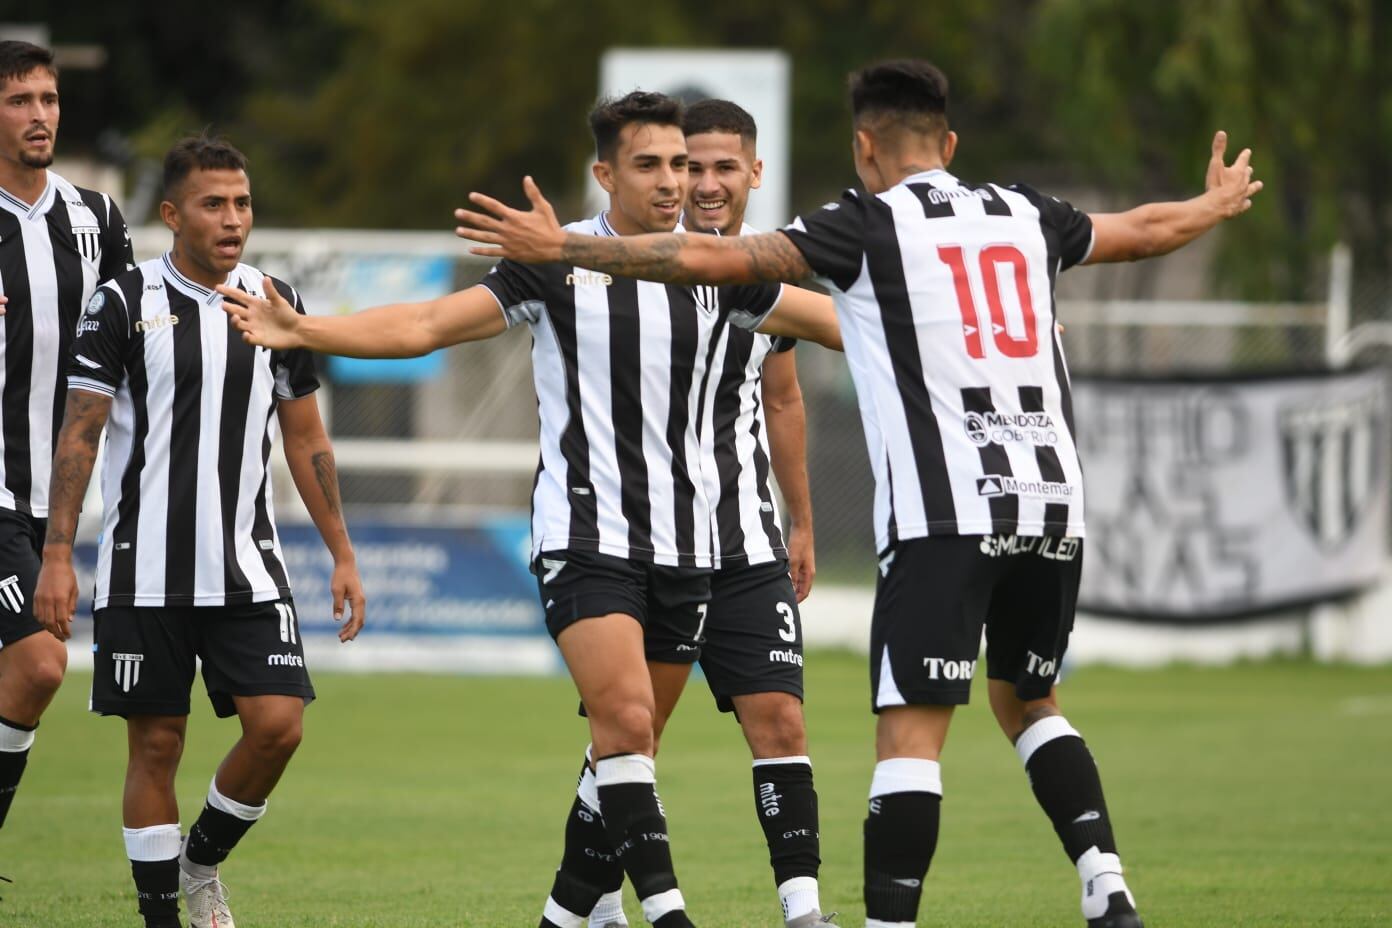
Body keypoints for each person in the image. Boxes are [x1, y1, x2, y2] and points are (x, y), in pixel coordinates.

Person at [453, 59, 1264, 928]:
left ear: (863, 146)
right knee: (1028, 700)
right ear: (948, 142)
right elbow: (1139, 229)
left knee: (908, 739)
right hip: (1052, 503)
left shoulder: (862, 226)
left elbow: (703, 257)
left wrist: (567, 247)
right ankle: (1105, 882)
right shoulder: (1026, 211)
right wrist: (1211, 206)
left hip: (943, 512)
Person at [220, 91, 837, 928]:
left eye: (682, 165)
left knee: (654, 739)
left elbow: (834, 332)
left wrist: (937, 336)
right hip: (588, 535)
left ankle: (575, 913)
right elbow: (428, 323)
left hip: (702, 546)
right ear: (604, 173)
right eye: (651, 165)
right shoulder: (555, 260)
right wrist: (308, 329)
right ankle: (670, 915)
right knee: (624, 721)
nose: (674, 182)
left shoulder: (716, 268)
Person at [33, 134, 366, 928]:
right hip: (144, 568)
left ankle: (202, 861)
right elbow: (79, 435)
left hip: (248, 566)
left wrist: (343, 553)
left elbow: (307, 439)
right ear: (173, 214)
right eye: (214, 205)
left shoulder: (275, 300)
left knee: (278, 728)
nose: (233, 219)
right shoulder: (121, 302)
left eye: (243, 204)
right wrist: (57, 554)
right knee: (156, 747)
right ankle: (159, 919)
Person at [586, 98, 829, 928]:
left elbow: (786, 401)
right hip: (647, 538)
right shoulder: (636, 271)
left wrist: (800, 520)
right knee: (632, 733)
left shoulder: (770, 274)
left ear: (755, 173)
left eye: (728, 167)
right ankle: (591, 902)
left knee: (781, 714)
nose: (709, 183)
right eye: (695, 166)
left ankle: (804, 910)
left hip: (746, 536)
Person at [0, 39, 133, 847]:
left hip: (60, 494)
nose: (39, 115)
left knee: (31, 671)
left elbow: (125, 340)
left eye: (47, 99)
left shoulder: (97, 219)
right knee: (43, 665)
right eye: (20, 101)